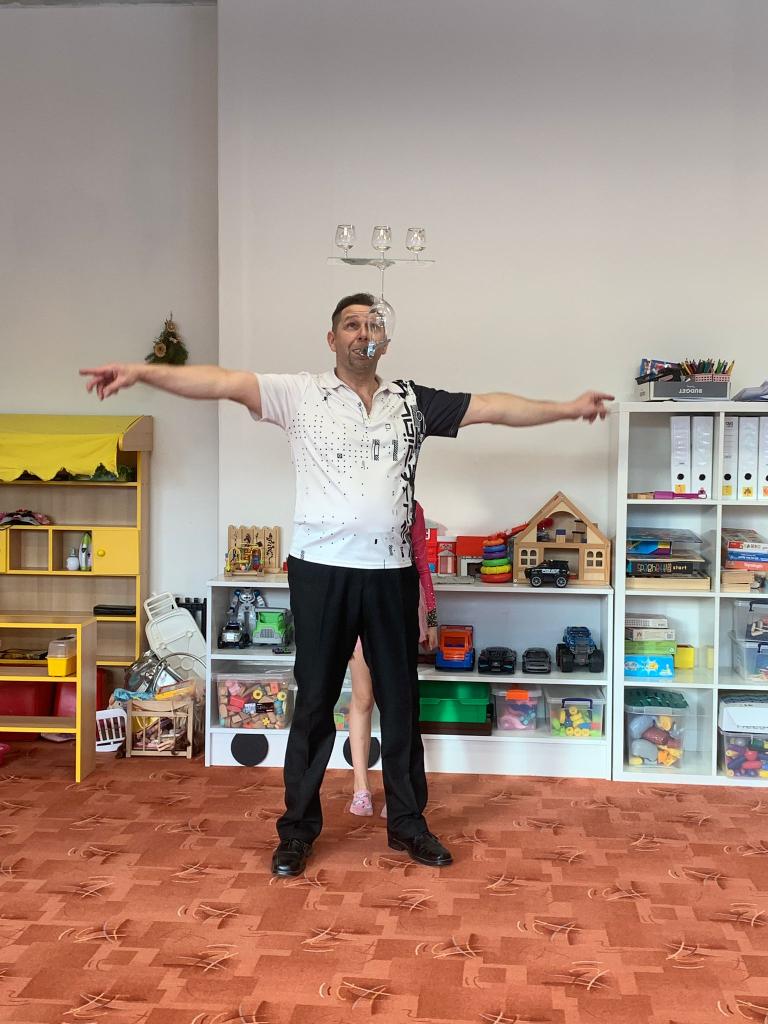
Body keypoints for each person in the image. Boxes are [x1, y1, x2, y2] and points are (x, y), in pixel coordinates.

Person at [81, 292, 613, 877]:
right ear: (332, 339)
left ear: (385, 340)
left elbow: (491, 407)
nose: (364, 332)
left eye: (373, 325)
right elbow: (223, 382)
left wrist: (566, 408)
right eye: (352, 324)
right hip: (320, 572)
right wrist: (142, 373)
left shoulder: (410, 401)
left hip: (391, 574)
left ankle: (408, 824)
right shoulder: (299, 394)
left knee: (401, 704)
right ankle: (297, 830)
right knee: (313, 703)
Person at [348, 499, 437, 818]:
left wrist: (432, 617)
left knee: (397, 705)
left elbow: (422, 563)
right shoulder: (352, 504)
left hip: (397, 613)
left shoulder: (413, 508)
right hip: (358, 611)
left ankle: (398, 792)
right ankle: (361, 787)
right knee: (363, 697)